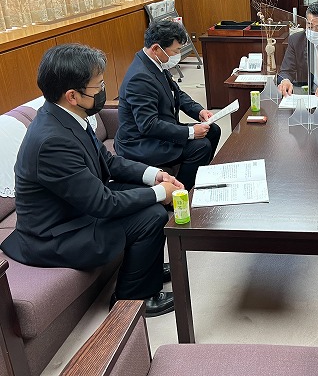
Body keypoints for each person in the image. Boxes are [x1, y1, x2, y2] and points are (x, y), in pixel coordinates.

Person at [1, 44, 182, 317]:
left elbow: (107, 161)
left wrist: (153, 175)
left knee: (145, 193)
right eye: (98, 86)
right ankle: (131, 299)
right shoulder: (51, 141)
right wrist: (160, 192)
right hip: (56, 235)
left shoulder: (66, 116)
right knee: (151, 215)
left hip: (76, 209)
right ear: (72, 95)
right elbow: (103, 204)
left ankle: (148, 269)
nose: (103, 91)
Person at [115, 20, 221, 190]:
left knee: (213, 130)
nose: (178, 55)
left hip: (158, 131)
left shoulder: (154, 63)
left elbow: (176, 93)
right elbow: (148, 125)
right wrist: (190, 132)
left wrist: (199, 111)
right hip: (140, 143)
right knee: (200, 147)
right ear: (156, 48)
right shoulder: (139, 78)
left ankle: (200, 179)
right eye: (175, 50)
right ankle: (180, 192)